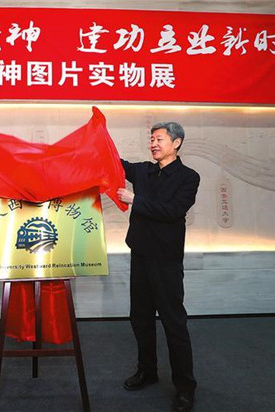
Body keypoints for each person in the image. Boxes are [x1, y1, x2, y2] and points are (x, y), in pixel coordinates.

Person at [117, 122, 200, 412]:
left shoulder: (189, 177)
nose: (153, 143)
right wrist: (96, 141)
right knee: (140, 318)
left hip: (165, 261)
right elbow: (116, 164)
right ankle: (147, 371)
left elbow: (173, 211)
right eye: (151, 139)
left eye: (159, 139)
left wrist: (135, 200)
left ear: (176, 143)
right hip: (140, 256)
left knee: (173, 324)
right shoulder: (143, 171)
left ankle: (185, 388)